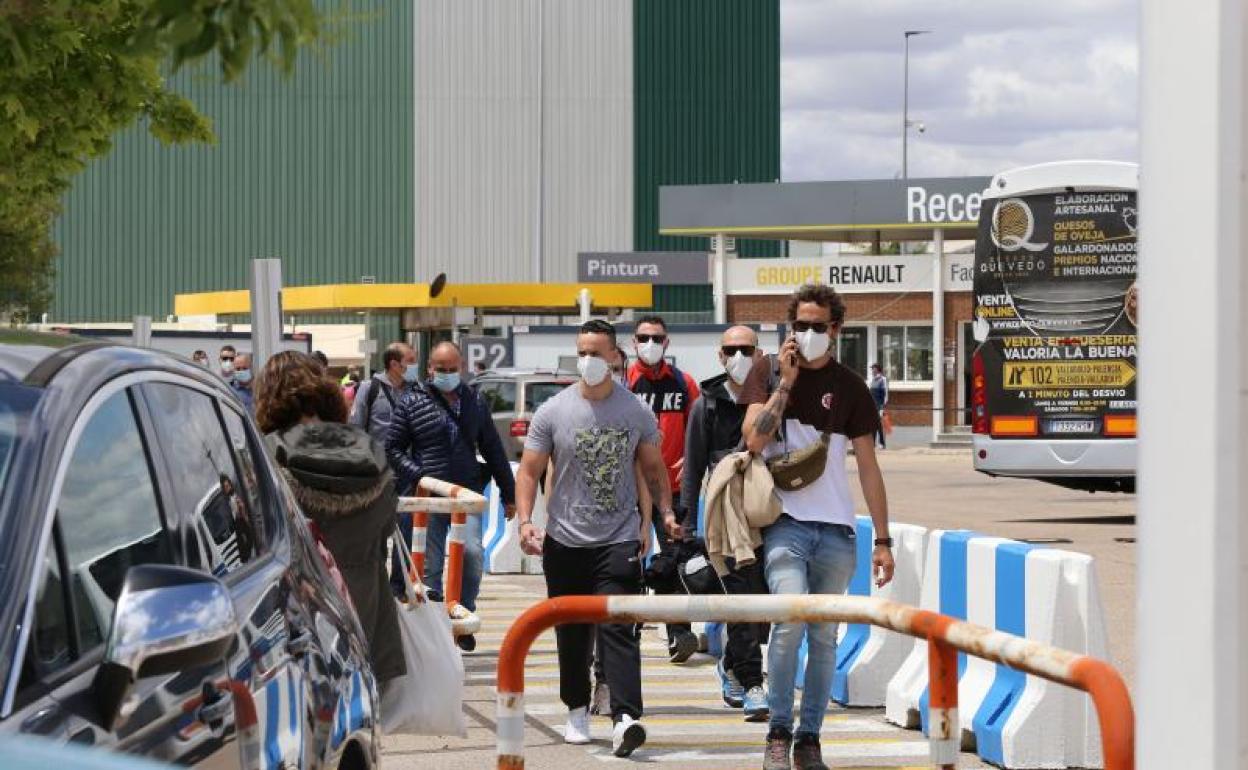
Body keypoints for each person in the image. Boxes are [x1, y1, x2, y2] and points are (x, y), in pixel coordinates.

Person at [741, 283, 895, 770]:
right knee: (788, 625)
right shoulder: (766, 375)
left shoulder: (851, 387)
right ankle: (778, 733)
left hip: (836, 530)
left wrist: (884, 541)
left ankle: (810, 738)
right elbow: (752, 442)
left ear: (836, 330)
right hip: (785, 523)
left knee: (824, 636)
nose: (808, 334)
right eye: (800, 325)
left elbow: (869, 466)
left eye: (818, 326)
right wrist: (784, 385)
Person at [514, 319, 676, 758]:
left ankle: (626, 717)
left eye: (597, 352)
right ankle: (577, 708)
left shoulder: (634, 411)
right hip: (565, 540)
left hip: (618, 538)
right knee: (571, 632)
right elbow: (529, 471)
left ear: (614, 357)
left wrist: (663, 514)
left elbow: (652, 468)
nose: (588, 360)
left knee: (619, 627)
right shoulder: (553, 410)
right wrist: (526, 520)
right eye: (582, 351)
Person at [254, 351, 405, 684]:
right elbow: (386, 530)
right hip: (367, 616)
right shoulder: (369, 452)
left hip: (296, 624)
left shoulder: (263, 456)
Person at [385, 341, 516, 652]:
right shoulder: (411, 402)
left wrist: (509, 494)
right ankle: (435, 632)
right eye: (440, 369)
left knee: (472, 554)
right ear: (430, 369)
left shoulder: (475, 402)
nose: (446, 374)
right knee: (430, 568)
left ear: (462, 368)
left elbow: (494, 450)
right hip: (429, 496)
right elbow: (392, 448)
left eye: (452, 369)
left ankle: (463, 611)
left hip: (465, 494)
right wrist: (418, 475)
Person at [682, 325, 770, 721]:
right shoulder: (707, 405)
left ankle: (732, 665)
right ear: (719, 356)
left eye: (745, 349)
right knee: (740, 597)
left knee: (763, 602)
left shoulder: (771, 398)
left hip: (767, 512)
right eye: (730, 349)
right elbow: (692, 467)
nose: (738, 356)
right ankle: (752, 681)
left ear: (758, 352)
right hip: (725, 518)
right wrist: (686, 525)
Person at [626, 314, 701, 662]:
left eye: (657, 338)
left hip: (673, 491)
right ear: (633, 342)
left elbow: (698, 428)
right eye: (644, 337)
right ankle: (628, 629)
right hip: (629, 491)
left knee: (676, 560)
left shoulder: (684, 384)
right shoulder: (623, 384)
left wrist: (693, 458)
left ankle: (679, 632)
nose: (650, 344)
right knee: (629, 561)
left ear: (667, 343)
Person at [351, 342, 419, 445]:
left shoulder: (417, 389)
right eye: (411, 361)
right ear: (394, 365)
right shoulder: (369, 389)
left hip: (409, 459)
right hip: (378, 458)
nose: (415, 365)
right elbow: (355, 428)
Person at [868, 363, 889, 449]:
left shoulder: (883, 379)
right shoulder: (872, 380)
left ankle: (882, 443)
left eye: (873, 368)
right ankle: (873, 443)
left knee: (879, 425)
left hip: (879, 406)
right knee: (873, 425)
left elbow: (885, 394)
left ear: (877, 369)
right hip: (872, 406)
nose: (872, 370)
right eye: (872, 368)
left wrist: (882, 407)